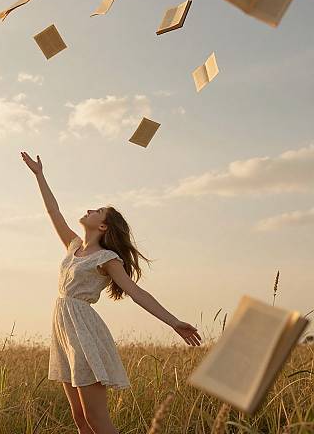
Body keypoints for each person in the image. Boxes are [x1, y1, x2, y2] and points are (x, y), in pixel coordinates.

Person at [21, 151, 201, 434]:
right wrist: (39, 175)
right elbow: (53, 212)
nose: (91, 210)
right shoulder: (73, 246)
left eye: (98, 211)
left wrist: (174, 322)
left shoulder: (107, 258)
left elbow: (136, 292)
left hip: (84, 332)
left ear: (103, 226)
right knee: (80, 419)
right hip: (64, 331)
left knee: (97, 421)